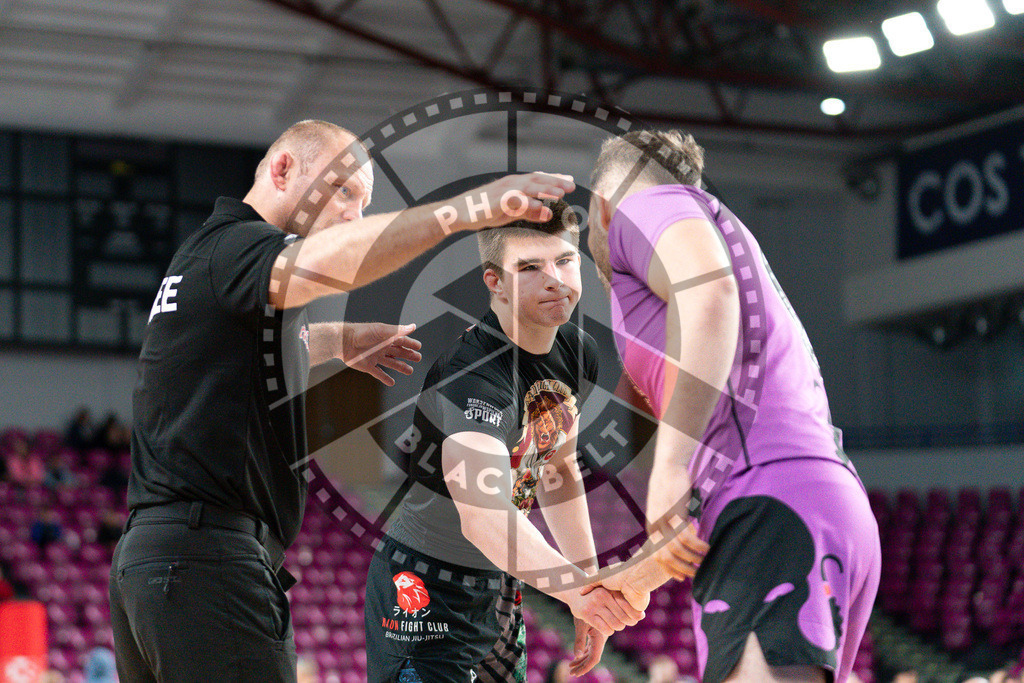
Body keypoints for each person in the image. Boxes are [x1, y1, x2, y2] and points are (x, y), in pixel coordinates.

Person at [108, 118, 575, 683]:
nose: (354, 213)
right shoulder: (240, 246)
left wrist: (334, 341)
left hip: (155, 565)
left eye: (364, 200)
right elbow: (339, 261)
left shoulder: (205, 259)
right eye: (345, 191)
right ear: (283, 170)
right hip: (207, 562)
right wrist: (470, 208)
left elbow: (214, 344)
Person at [585, 129, 881, 683]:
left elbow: (710, 294)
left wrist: (669, 465)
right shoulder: (720, 238)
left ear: (600, 208)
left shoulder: (639, 204)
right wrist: (627, 584)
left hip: (775, 508)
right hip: (806, 504)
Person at [364, 200, 642, 683]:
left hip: (499, 587)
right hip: (425, 585)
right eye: (530, 267)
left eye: (565, 260)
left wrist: (586, 587)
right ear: (496, 283)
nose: (554, 278)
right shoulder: (472, 376)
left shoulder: (578, 350)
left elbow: (557, 471)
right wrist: (578, 592)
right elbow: (485, 516)